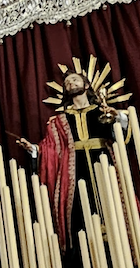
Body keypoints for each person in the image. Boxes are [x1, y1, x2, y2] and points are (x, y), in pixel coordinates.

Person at [16, 69, 129, 245]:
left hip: (103, 161)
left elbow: (122, 136)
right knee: (80, 209)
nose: (71, 83)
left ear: (86, 85)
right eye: (68, 82)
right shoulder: (60, 120)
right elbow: (51, 147)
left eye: (75, 80)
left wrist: (119, 117)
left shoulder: (102, 111)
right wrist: (35, 150)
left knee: (113, 205)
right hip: (75, 169)